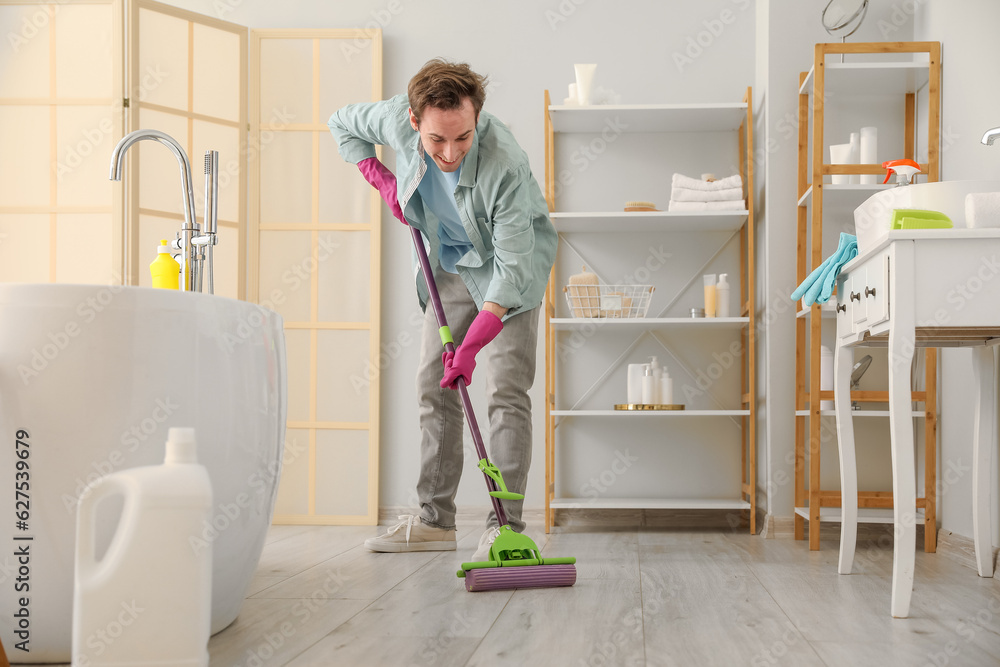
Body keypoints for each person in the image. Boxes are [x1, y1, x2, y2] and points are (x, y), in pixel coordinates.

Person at [328, 59, 555, 561]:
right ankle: (435, 520)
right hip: (451, 263)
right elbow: (340, 123)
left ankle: (506, 527)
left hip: (507, 270)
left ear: (477, 120)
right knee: (434, 383)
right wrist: (381, 177)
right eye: (436, 141)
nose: (450, 153)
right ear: (413, 122)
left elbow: (513, 269)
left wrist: (473, 345)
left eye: (464, 138)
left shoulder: (506, 166)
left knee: (506, 391)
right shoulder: (393, 118)